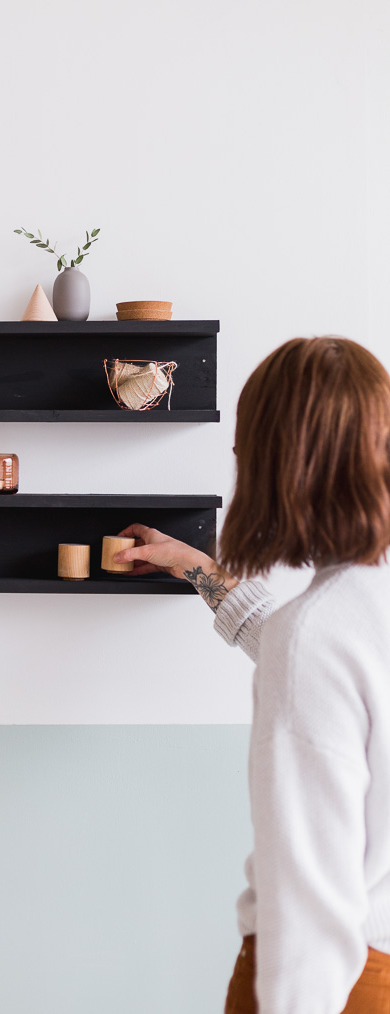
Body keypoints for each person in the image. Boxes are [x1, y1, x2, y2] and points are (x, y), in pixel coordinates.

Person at [113, 336, 390, 1014]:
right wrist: (196, 568)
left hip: (328, 985)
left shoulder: (318, 638)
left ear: (277, 466)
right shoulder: (357, 616)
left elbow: (308, 916)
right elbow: (299, 654)